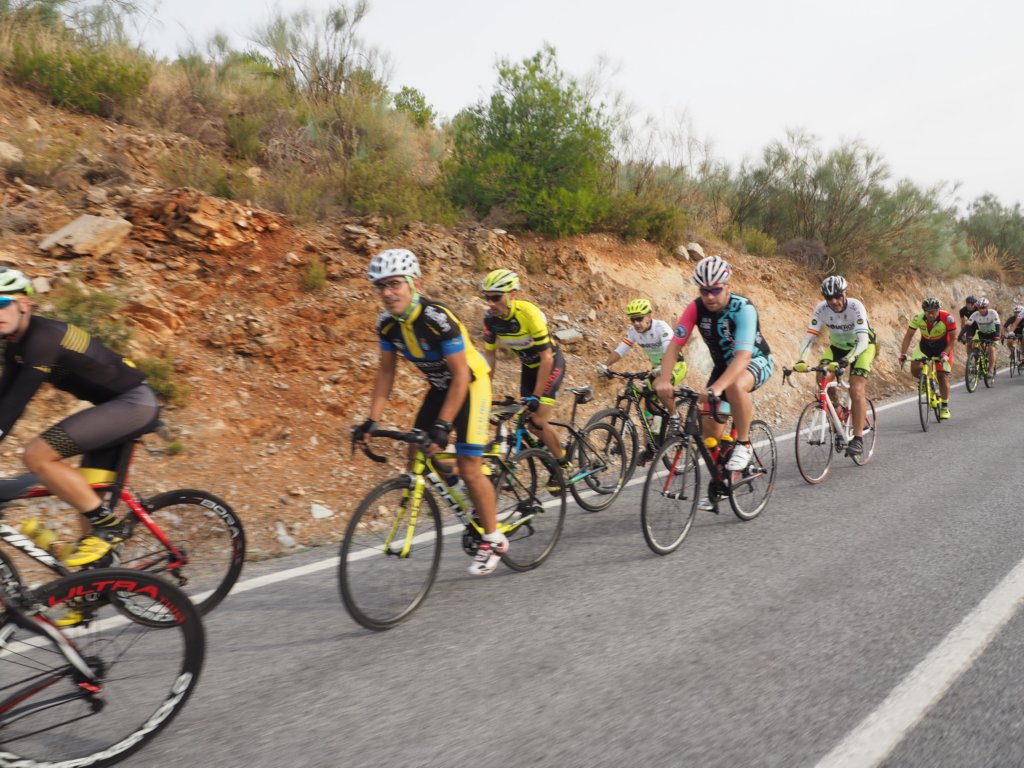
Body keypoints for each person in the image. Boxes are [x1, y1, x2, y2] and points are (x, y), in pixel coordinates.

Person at [352, 249, 506, 576]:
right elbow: (386, 372)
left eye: (395, 284)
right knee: (417, 452)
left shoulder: (437, 318)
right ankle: (467, 492)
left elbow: (461, 375)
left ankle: (493, 538)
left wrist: (443, 424)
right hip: (440, 387)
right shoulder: (387, 325)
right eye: (381, 286)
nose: (387, 293)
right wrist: (371, 420)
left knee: (469, 465)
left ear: (415, 284)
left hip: (470, 384)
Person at [0, 267, 159, 571]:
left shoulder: (42, 338)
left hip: (133, 403)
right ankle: (95, 583)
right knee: (86, 501)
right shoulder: (15, 345)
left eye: (2, 302)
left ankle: (110, 526)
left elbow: (16, 402)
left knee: (37, 455)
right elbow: (2, 399)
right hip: (111, 407)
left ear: (24, 303)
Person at [653, 255, 774, 477]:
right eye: (704, 290)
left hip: (755, 360)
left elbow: (743, 357)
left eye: (716, 290)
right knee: (710, 434)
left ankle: (744, 443)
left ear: (728, 286)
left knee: (735, 386)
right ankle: (722, 481)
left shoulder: (743, 308)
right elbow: (674, 346)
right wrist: (664, 379)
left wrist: (717, 388)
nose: (709, 296)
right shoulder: (696, 308)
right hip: (723, 367)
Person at [480, 268, 572, 494]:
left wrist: (537, 396)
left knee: (537, 421)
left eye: (496, 297)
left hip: (550, 364)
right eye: (487, 297)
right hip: (529, 368)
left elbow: (546, 357)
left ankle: (563, 464)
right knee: (528, 422)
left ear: (512, 294)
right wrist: (484, 392)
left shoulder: (529, 313)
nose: (491, 303)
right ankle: (548, 449)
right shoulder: (490, 320)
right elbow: (490, 358)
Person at [793, 275, 876, 456]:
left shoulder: (856, 306)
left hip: (862, 348)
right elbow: (810, 336)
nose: (834, 302)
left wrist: (848, 360)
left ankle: (858, 439)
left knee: (856, 389)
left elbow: (863, 341)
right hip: (837, 348)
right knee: (821, 376)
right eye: (829, 298)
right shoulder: (821, 309)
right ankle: (837, 407)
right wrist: (801, 360)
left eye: (838, 296)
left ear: (845, 293)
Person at [597, 299, 688, 461]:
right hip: (656, 369)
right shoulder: (633, 331)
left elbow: (669, 349)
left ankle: (674, 415)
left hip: (675, 365)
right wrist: (605, 365)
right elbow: (621, 350)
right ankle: (651, 447)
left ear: (649, 316)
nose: (636, 323)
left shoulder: (661, 327)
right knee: (648, 409)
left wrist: (664, 368)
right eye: (633, 320)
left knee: (659, 386)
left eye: (639, 319)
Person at [897, 297, 956, 420]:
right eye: (927, 312)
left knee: (942, 376)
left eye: (933, 311)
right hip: (925, 348)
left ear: (938, 310)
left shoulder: (947, 318)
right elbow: (908, 336)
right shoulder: (918, 318)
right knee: (914, 369)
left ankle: (945, 407)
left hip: (943, 348)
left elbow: (953, 340)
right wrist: (903, 354)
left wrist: (945, 353)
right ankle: (925, 380)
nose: (930, 314)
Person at [961, 297, 1001, 385]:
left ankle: (991, 370)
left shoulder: (993, 313)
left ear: (987, 307)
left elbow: (998, 325)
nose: (982, 310)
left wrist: (997, 335)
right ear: (977, 308)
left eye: (983, 308)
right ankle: (976, 363)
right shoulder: (975, 314)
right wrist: (960, 335)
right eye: (980, 308)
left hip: (993, 334)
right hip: (982, 333)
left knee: (991, 349)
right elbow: (967, 326)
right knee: (972, 344)